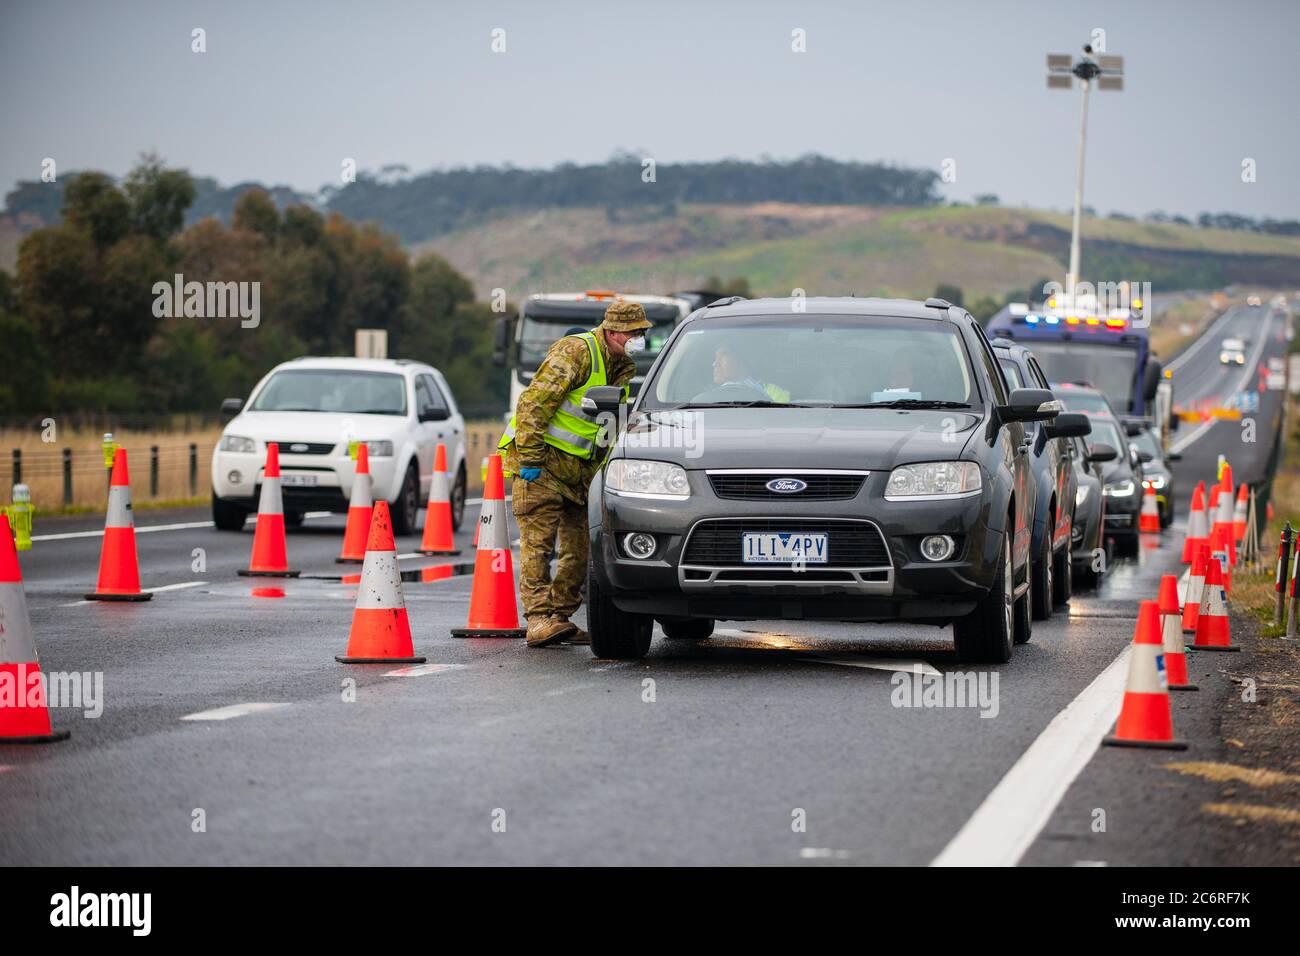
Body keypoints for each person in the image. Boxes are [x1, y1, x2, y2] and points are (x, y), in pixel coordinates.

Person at [497, 300, 649, 647]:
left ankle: (561, 618)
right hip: (542, 465)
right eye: (632, 333)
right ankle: (538, 620)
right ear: (612, 331)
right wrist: (532, 459)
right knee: (538, 546)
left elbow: (606, 425)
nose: (637, 339)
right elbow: (533, 404)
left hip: (579, 474)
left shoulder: (622, 367)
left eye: (640, 333)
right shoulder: (576, 352)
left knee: (579, 550)